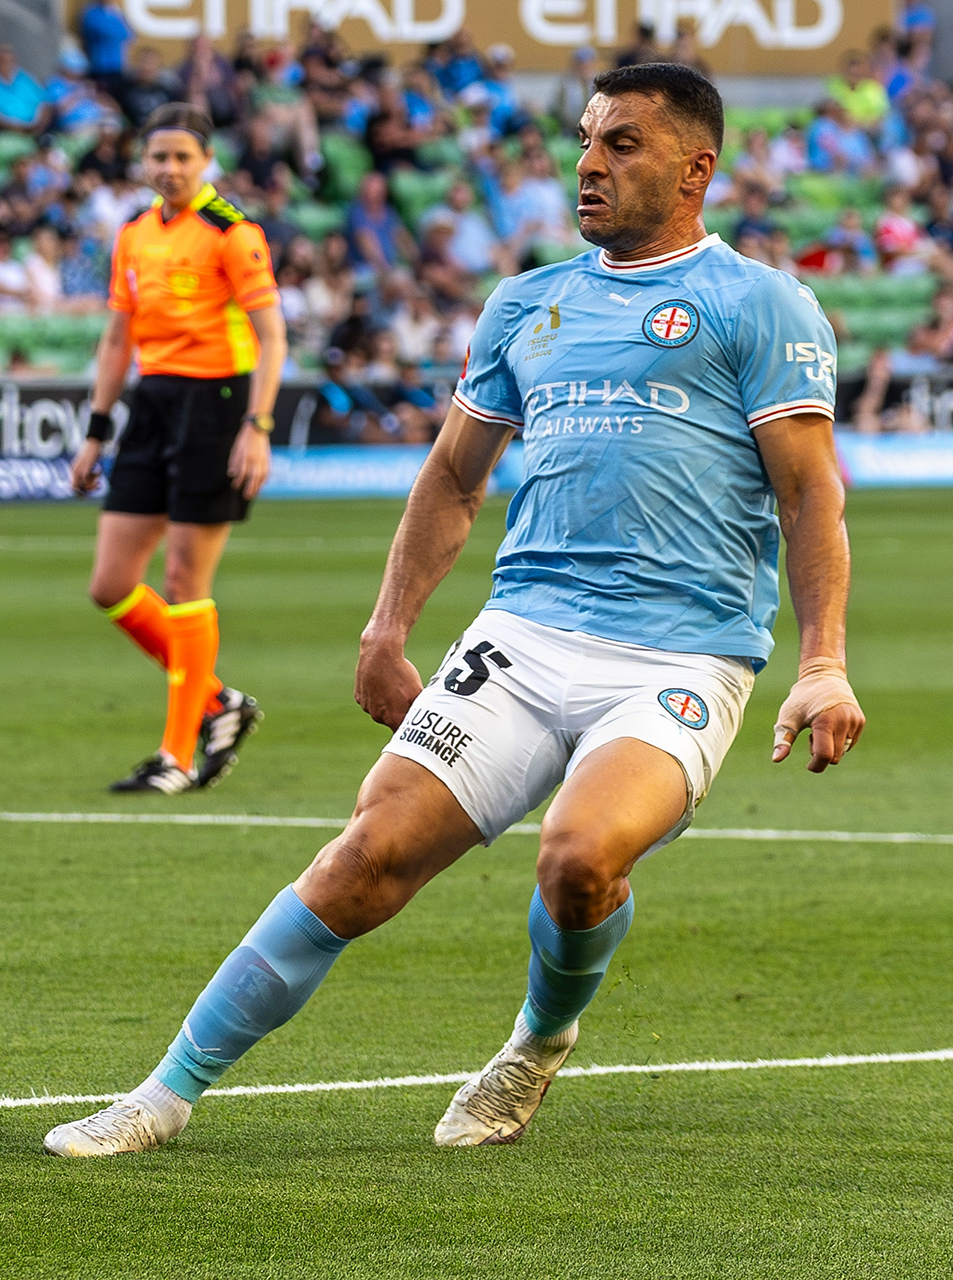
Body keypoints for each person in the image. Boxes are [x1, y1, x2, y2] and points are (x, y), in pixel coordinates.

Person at [46, 62, 865, 1159]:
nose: (588, 163)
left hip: (679, 655)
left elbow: (810, 494)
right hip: (522, 632)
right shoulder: (525, 303)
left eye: (622, 143)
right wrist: (388, 627)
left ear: (694, 169)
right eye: (586, 139)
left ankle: (536, 1041)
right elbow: (451, 477)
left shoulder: (758, 303)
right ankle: (161, 1093)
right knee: (364, 858)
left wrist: (822, 661)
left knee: (578, 858)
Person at [67, 103, 285, 795]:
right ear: (143, 161)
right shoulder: (134, 234)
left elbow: (272, 336)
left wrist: (257, 425)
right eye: (158, 157)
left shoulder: (233, 233)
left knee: (186, 583)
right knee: (110, 584)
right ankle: (219, 702)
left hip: (217, 405)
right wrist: (96, 430)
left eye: (182, 157)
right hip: (153, 404)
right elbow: (117, 339)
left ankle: (178, 756)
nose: (169, 168)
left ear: (206, 161)